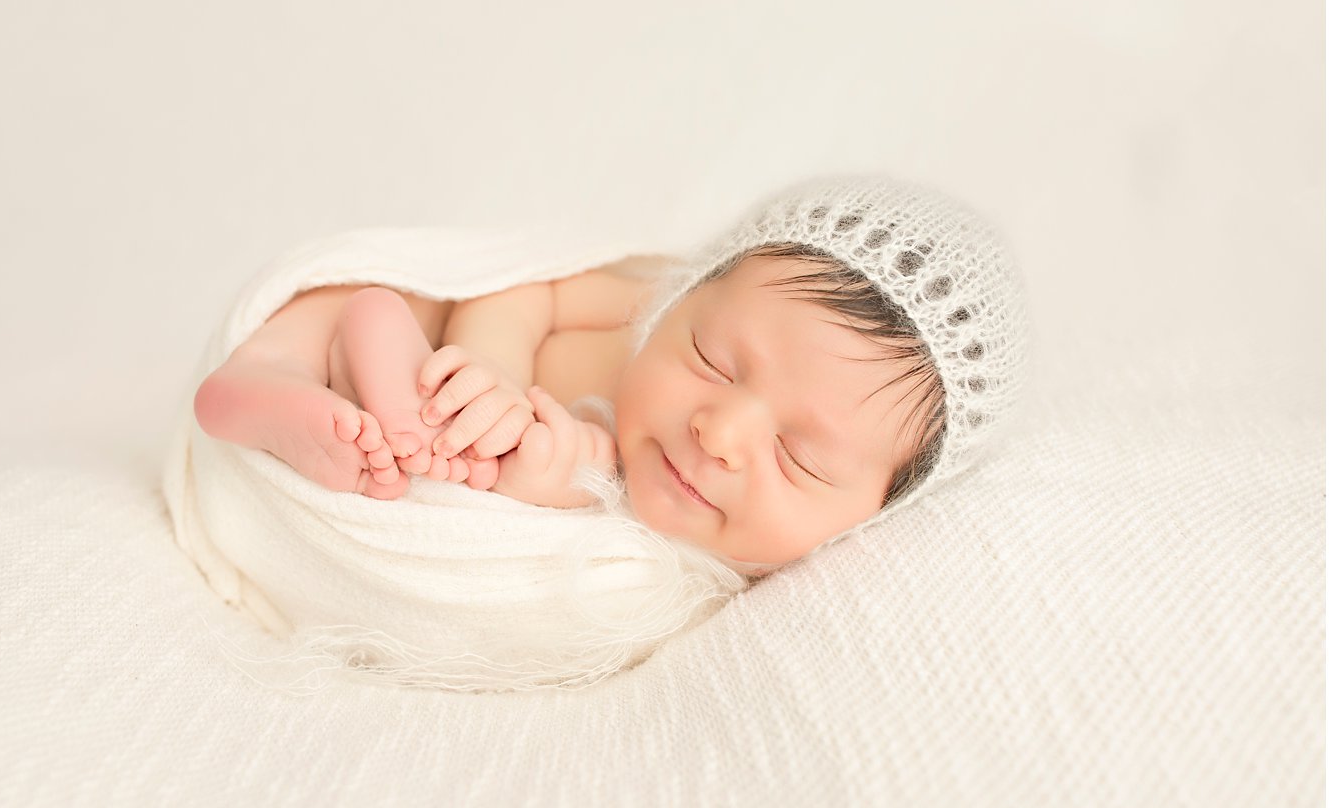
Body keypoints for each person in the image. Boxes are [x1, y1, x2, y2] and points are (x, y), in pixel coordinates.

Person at [191, 177, 1025, 575]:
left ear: (879, 510)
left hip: (451, 439)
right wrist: (491, 365)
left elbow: (584, 482)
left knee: (427, 470)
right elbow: (529, 283)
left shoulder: (723, 556)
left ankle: (353, 386)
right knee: (361, 302)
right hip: (451, 356)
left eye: (802, 458)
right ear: (685, 293)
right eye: (711, 359)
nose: (721, 431)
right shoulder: (638, 302)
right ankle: (281, 367)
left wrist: (560, 475)